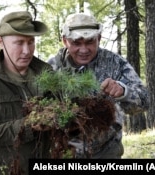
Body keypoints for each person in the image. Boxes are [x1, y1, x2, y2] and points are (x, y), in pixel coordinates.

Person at [47, 12, 149, 159]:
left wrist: (123, 91)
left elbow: (145, 100)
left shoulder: (115, 63)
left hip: (105, 153)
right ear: (65, 41)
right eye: (76, 43)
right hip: (65, 153)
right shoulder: (52, 67)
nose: (84, 49)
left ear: (99, 39)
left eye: (89, 42)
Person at [0, 11, 52, 175]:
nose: (27, 51)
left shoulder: (47, 74)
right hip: (4, 169)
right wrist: (27, 126)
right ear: (0, 41)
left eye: (31, 41)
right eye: (19, 43)